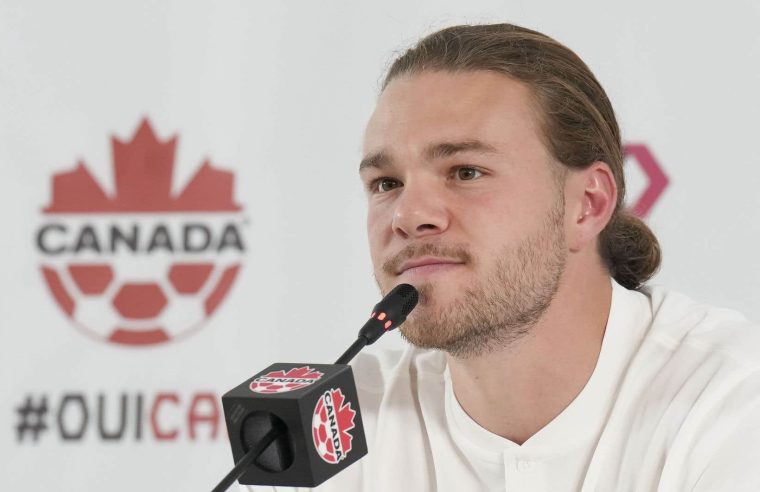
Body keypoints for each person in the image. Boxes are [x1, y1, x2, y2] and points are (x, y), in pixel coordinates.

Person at [248, 23, 760, 491]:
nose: (408, 214)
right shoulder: (342, 422)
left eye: (465, 171)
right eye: (386, 183)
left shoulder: (729, 397)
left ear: (588, 204)